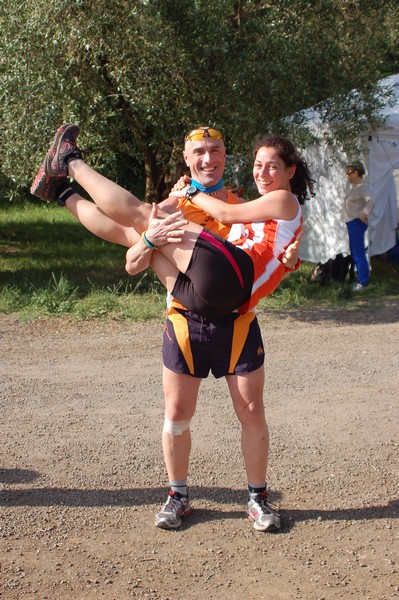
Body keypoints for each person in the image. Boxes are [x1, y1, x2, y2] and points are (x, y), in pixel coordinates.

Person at [31, 124, 307, 531]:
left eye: (216, 151)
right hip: (189, 311)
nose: (208, 159)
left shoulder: (242, 204)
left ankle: (257, 498)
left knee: (251, 412)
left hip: (236, 316)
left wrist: (290, 262)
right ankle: (60, 188)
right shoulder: (178, 202)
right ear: (186, 158)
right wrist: (148, 238)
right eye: (200, 152)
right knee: (134, 229)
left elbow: (263, 246)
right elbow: (131, 255)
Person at [344, 161, 375, 291]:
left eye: (349, 173)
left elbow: (371, 200)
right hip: (352, 223)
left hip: (356, 222)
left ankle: (362, 282)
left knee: (358, 253)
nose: (347, 176)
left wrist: (364, 213)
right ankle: (360, 279)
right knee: (356, 251)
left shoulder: (362, 187)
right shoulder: (356, 188)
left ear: (356, 173)